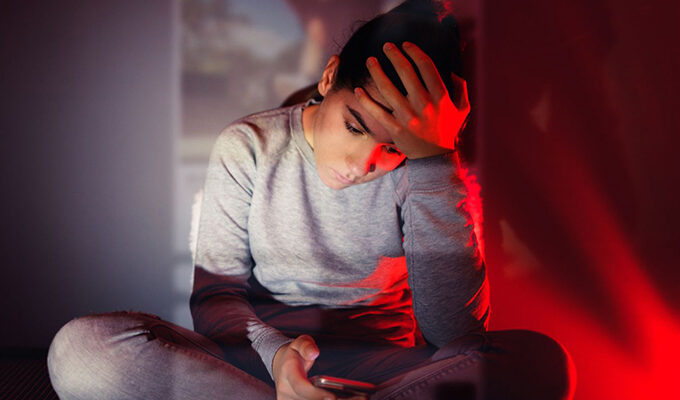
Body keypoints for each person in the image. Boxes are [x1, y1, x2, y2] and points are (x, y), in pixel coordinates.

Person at [47, 1, 575, 399]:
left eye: (393, 147)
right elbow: (215, 299)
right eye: (354, 126)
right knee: (81, 351)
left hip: (384, 370)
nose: (362, 164)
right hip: (255, 363)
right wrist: (279, 358)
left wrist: (434, 162)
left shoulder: (430, 171)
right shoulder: (249, 146)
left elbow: (456, 335)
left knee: (542, 362)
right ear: (329, 77)